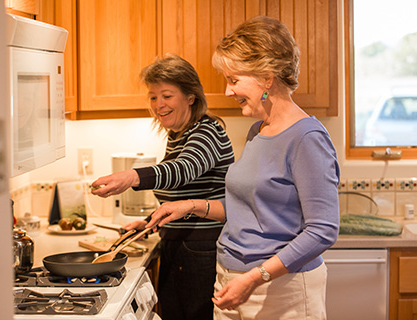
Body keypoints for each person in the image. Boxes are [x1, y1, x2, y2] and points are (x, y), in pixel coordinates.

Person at [145, 16, 340, 320]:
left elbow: (323, 231)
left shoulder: (307, 138)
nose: (227, 92)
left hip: (280, 288)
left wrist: (255, 276)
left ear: (266, 77)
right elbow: (249, 207)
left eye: (234, 80)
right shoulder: (258, 131)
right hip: (230, 278)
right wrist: (191, 205)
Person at [91, 54, 235, 320]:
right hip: (179, 244)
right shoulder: (179, 134)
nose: (158, 104)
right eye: (153, 96)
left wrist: (132, 176)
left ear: (191, 97)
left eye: (167, 96)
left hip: (202, 250)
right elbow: (183, 194)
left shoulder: (207, 131)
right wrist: (150, 221)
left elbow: (183, 171)